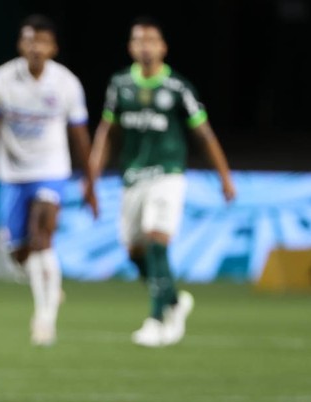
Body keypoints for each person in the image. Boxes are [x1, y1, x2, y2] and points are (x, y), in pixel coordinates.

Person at [85, 16, 236, 347]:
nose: (145, 46)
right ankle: (173, 300)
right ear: (130, 47)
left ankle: (156, 319)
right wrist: (91, 178)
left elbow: (204, 133)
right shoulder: (120, 84)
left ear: (163, 47)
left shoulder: (177, 88)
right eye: (139, 40)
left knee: (157, 238)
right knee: (134, 251)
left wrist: (224, 177)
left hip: (167, 175)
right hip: (132, 178)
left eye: (151, 40)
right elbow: (107, 133)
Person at [0, 14, 92, 347]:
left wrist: (90, 182)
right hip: (13, 174)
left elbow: (80, 136)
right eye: (29, 40)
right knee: (18, 252)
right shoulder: (3, 79)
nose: (35, 47)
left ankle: (44, 319)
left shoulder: (66, 83)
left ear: (53, 47)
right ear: (20, 45)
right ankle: (50, 284)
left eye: (42, 41)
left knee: (42, 238)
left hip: (52, 170)